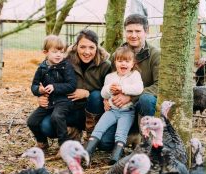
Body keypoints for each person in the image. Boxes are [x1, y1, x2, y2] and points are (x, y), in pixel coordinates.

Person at [38, 29, 112, 143]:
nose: (87, 52)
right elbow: (48, 81)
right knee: (46, 126)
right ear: (76, 46)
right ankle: (73, 132)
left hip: (94, 111)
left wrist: (87, 93)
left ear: (97, 47)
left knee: (96, 96)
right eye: (82, 47)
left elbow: (110, 90)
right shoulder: (64, 61)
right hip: (69, 109)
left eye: (91, 47)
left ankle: (91, 135)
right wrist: (42, 95)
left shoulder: (105, 65)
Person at [99, 14, 160, 150]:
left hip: (143, 107)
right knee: (105, 144)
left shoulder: (155, 55)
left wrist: (131, 97)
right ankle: (132, 133)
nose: (133, 35)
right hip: (121, 110)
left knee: (146, 99)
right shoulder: (118, 55)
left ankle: (146, 140)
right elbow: (110, 80)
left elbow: (159, 85)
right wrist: (106, 97)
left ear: (146, 32)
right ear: (124, 32)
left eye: (138, 31)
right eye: (129, 31)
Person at [85, 46, 144, 165]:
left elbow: (139, 89)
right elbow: (103, 93)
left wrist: (123, 88)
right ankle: (87, 152)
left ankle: (115, 157)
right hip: (111, 111)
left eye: (127, 61)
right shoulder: (110, 77)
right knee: (98, 128)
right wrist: (109, 89)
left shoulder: (135, 75)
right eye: (120, 60)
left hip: (127, 112)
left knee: (120, 133)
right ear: (115, 62)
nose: (123, 64)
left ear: (132, 64)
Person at [27, 35, 77, 150]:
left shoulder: (66, 66)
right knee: (32, 121)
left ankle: (63, 145)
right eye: (55, 52)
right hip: (48, 102)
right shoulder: (42, 68)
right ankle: (42, 142)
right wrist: (39, 90)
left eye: (62, 51)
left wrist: (55, 87)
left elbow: (72, 85)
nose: (59, 55)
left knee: (57, 116)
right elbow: (34, 85)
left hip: (63, 101)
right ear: (45, 52)